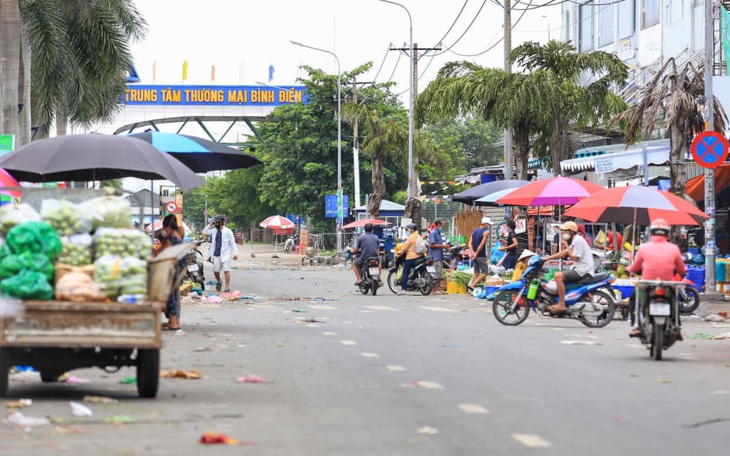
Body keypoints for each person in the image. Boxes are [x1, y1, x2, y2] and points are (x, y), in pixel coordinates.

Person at [626, 218, 686, 337]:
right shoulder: (674, 248)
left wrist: (629, 270)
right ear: (667, 233)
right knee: (674, 300)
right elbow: (681, 268)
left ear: (651, 232)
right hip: (667, 283)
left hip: (647, 283)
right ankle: (677, 327)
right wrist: (683, 272)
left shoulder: (644, 247)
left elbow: (635, 266)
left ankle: (636, 326)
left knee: (634, 299)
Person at [541, 221, 594, 312]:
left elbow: (574, 258)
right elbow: (564, 253)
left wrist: (565, 244)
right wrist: (548, 258)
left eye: (565, 231)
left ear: (571, 231)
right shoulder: (575, 240)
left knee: (558, 276)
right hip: (579, 269)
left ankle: (561, 304)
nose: (563, 233)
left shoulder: (578, 240)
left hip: (583, 270)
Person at [155, 214, 183, 331]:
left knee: (170, 296)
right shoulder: (178, 235)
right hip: (176, 271)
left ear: (168, 227)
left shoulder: (171, 238)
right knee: (174, 296)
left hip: (171, 271)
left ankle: (173, 323)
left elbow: (163, 254)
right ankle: (174, 321)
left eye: (165, 228)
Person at [203, 215, 239, 292]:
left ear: (221, 222)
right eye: (214, 222)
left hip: (226, 254)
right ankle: (219, 281)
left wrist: (235, 253)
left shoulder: (228, 231)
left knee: (227, 270)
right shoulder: (214, 231)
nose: (215, 224)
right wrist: (210, 225)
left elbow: (233, 243)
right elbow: (204, 232)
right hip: (216, 254)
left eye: (216, 222)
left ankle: (227, 287)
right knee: (216, 271)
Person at [394, 223, 423, 295]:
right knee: (415, 270)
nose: (408, 231)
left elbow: (405, 247)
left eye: (408, 229)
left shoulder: (411, 237)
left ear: (412, 230)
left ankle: (403, 289)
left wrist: (399, 253)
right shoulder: (419, 236)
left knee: (405, 273)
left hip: (411, 257)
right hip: (420, 256)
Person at [467, 217, 492, 291]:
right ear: (485, 224)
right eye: (488, 224)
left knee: (476, 272)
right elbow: (481, 245)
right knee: (485, 272)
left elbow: (469, 244)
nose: (488, 226)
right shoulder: (485, 232)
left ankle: (472, 289)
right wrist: (476, 253)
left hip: (474, 255)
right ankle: (473, 284)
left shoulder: (474, 231)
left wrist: (472, 253)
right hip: (480, 255)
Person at [428, 219, 448, 294]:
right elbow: (431, 244)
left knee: (440, 273)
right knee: (435, 273)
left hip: (439, 255)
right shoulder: (433, 233)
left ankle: (439, 288)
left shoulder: (438, 233)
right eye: (443, 225)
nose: (444, 226)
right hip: (434, 256)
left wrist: (445, 247)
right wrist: (443, 246)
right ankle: (434, 289)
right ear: (438, 225)